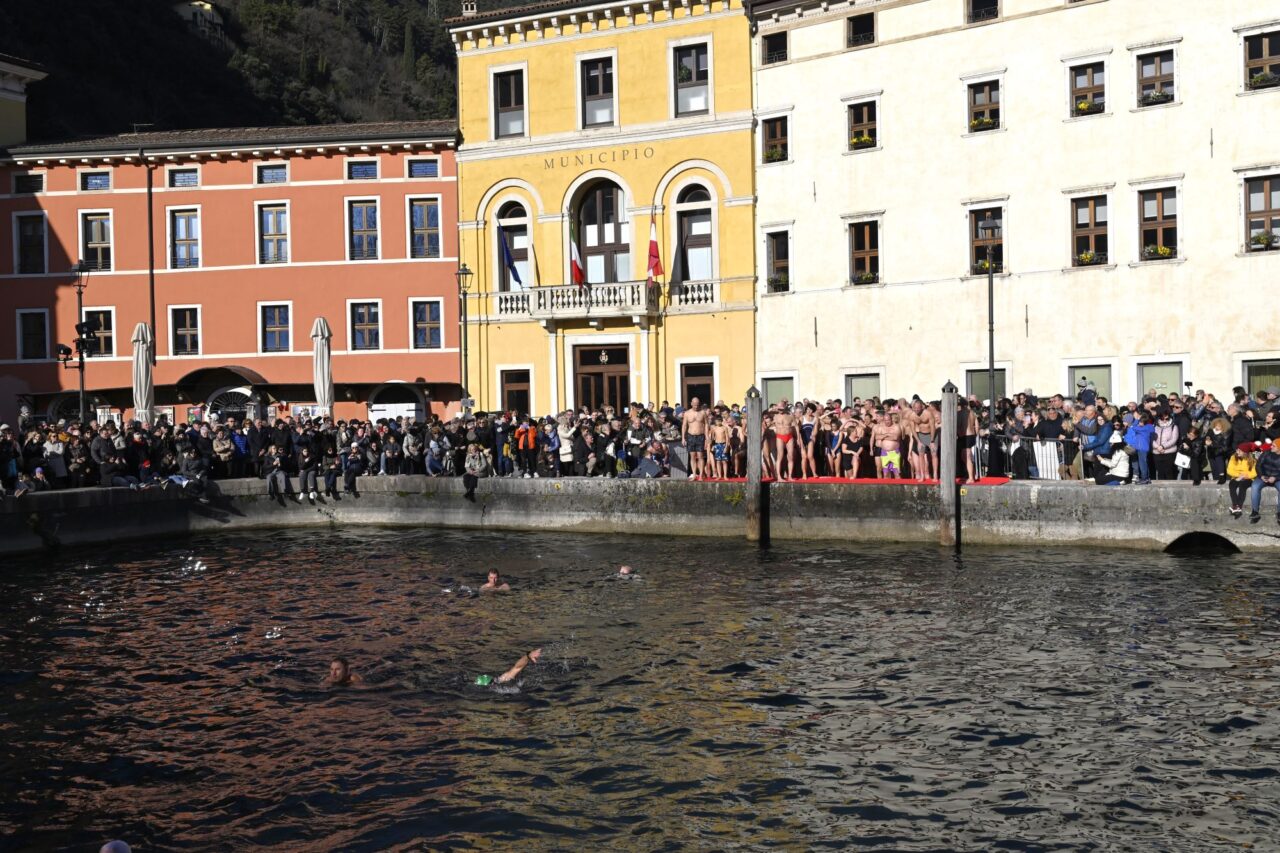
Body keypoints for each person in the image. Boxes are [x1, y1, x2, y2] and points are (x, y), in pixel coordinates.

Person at [1249, 441, 1280, 523]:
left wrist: (1276, 478)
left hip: (1277, 478)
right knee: (1254, 486)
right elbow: (1258, 465)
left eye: (1274, 446)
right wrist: (1261, 475)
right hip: (1263, 476)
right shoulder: (1266, 453)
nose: (1271, 447)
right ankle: (1255, 512)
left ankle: (1279, 513)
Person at [681, 397, 709, 480]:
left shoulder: (703, 413)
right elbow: (684, 426)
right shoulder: (687, 413)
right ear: (691, 404)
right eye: (694, 405)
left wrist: (707, 437)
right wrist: (683, 438)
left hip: (700, 435)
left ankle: (701, 475)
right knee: (692, 456)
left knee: (700, 456)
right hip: (690, 436)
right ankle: (694, 474)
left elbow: (706, 424)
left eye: (697, 405)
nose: (696, 407)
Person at [1226, 442, 1257, 518]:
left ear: (1245, 452)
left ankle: (1237, 507)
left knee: (1242, 486)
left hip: (1248, 478)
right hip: (1236, 477)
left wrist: (1245, 476)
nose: (1237, 452)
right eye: (1237, 450)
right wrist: (1238, 476)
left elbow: (1254, 473)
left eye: (1239, 450)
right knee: (1232, 485)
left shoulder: (1252, 459)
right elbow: (1229, 470)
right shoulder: (1233, 457)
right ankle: (1236, 506)